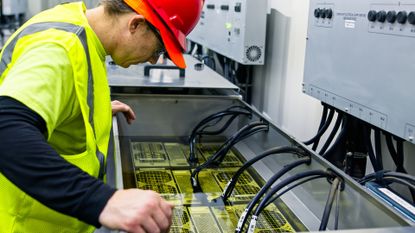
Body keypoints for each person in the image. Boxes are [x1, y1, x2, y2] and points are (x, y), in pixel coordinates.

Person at [0, 0, 203, 232]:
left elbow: (51, 92)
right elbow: (6, 127)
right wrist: (103, 200)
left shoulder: (80, 26)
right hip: (24, 224)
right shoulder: (59, 48)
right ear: (135, 24)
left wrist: (88, 109)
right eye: (158, 49)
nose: (154, 60)